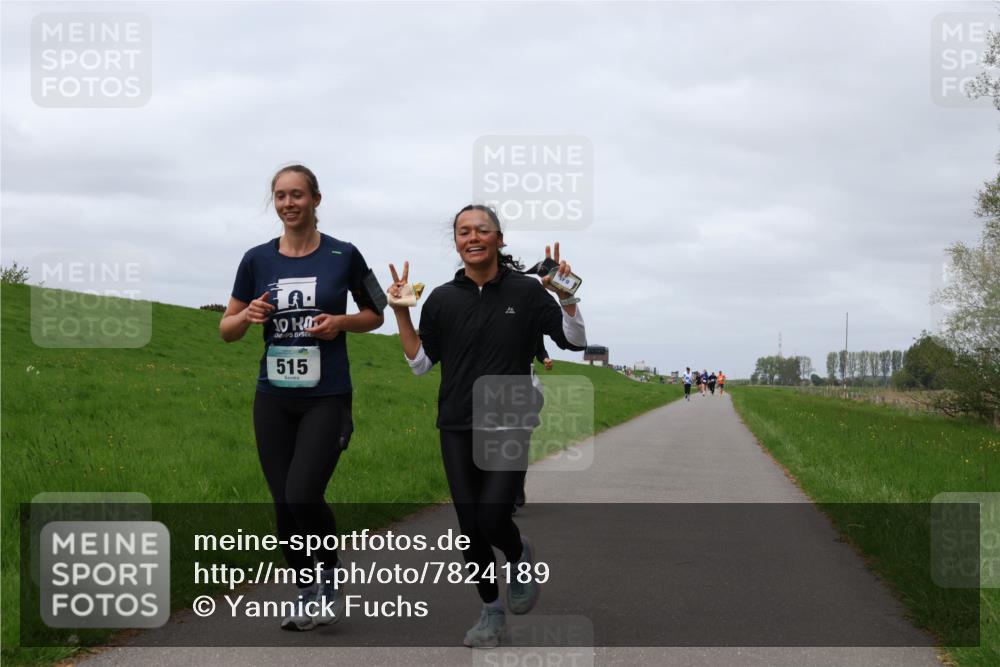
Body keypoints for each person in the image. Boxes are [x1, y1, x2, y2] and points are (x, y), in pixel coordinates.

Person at [387, 204, 587, 648]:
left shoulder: (528, 293)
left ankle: (517, 555)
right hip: (457, 422)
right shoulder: (441, 298)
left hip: (509, 417)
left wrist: (566, 296)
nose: (472, 237)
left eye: (482, 229)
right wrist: (401, 312)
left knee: (494, 516)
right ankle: (491, 612)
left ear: (499, 239)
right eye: (463, 231)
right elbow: (421, 364)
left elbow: (574, 340)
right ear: (456, 242)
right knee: (469, 526)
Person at [219, 164, 384, 631]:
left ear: (316, 199)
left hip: (327, 395)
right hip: (273, 395)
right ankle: (307, 591)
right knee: (282, 503)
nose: (289, 204)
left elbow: (377, 313)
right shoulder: (256, 260)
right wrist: (247, 315)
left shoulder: (344, 254)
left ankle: (327, 577)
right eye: (280, 196)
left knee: (303, 493)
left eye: (297, 195)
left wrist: (341, 322)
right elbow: (226, 330)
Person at [513, 336, 553, 515]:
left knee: (521, 443)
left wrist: (545, 358)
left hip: (526, 387)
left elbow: (540, 349)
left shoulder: (531, 320)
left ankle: (516, 486)